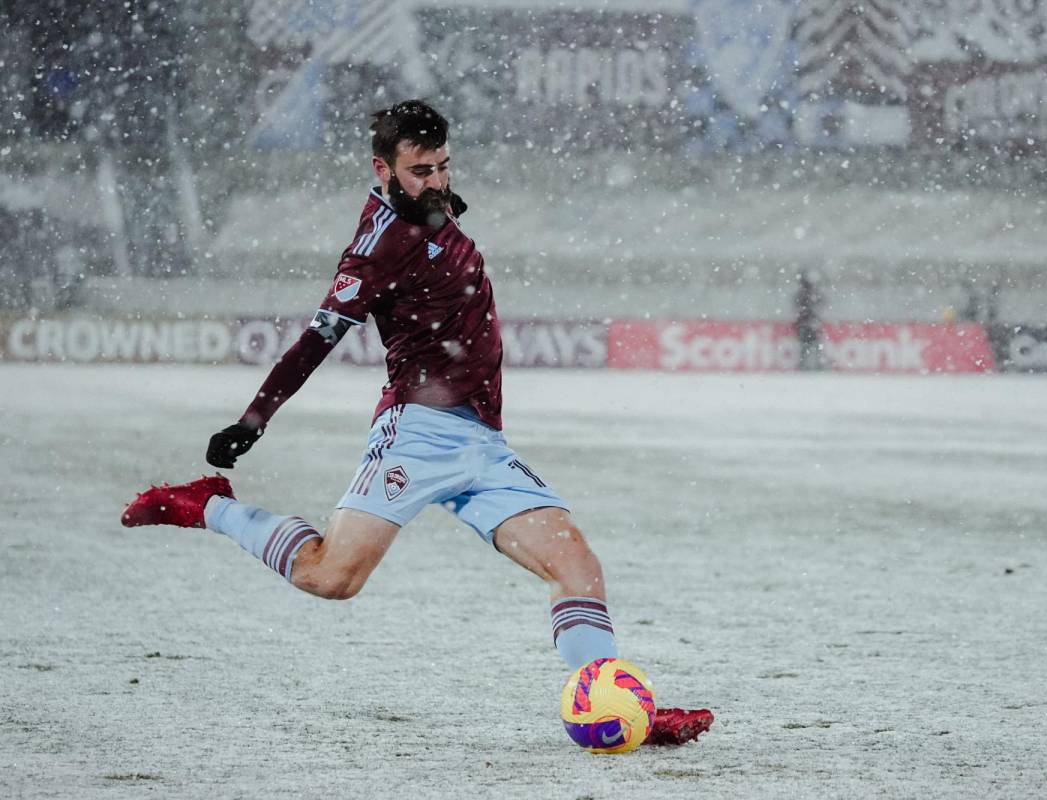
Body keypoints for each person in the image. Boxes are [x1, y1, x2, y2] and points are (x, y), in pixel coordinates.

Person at [120, 100, 712, 746]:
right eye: (419, 170)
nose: (436, 181)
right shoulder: (374, 247)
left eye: (443, 167)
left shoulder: (432, 208)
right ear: (382, 169)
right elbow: (318, 339)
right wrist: (254, 419)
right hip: (417, 433)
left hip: (483, 442)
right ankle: (210, 507)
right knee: (331, 577)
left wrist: (436, 202)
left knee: (579, 567)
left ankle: (621, 708)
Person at [792, 270, 823, 370]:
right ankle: (816, 365)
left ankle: (804, 365)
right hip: (810, 324)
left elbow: (798, 309)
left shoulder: (801, 294)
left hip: (804, 325)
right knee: (814, 347)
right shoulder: (812, 293)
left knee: (805, 348)